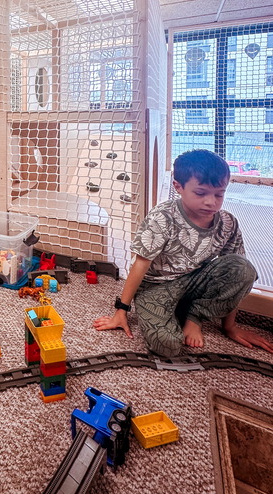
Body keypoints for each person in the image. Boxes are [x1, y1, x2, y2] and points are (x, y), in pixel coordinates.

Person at [93, 149, 273, 356]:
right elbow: (140, 264)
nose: (211, 202)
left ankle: (194, 317)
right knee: (167, 346)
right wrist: (121, 310)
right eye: (201, 193)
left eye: (219, 194)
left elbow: (236, 273)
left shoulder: (227, 222)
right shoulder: (163, 217)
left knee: (244, 268)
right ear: (178, 187)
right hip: (156, 287)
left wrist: (230, 327)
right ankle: (176, 311)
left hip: (194, 281)